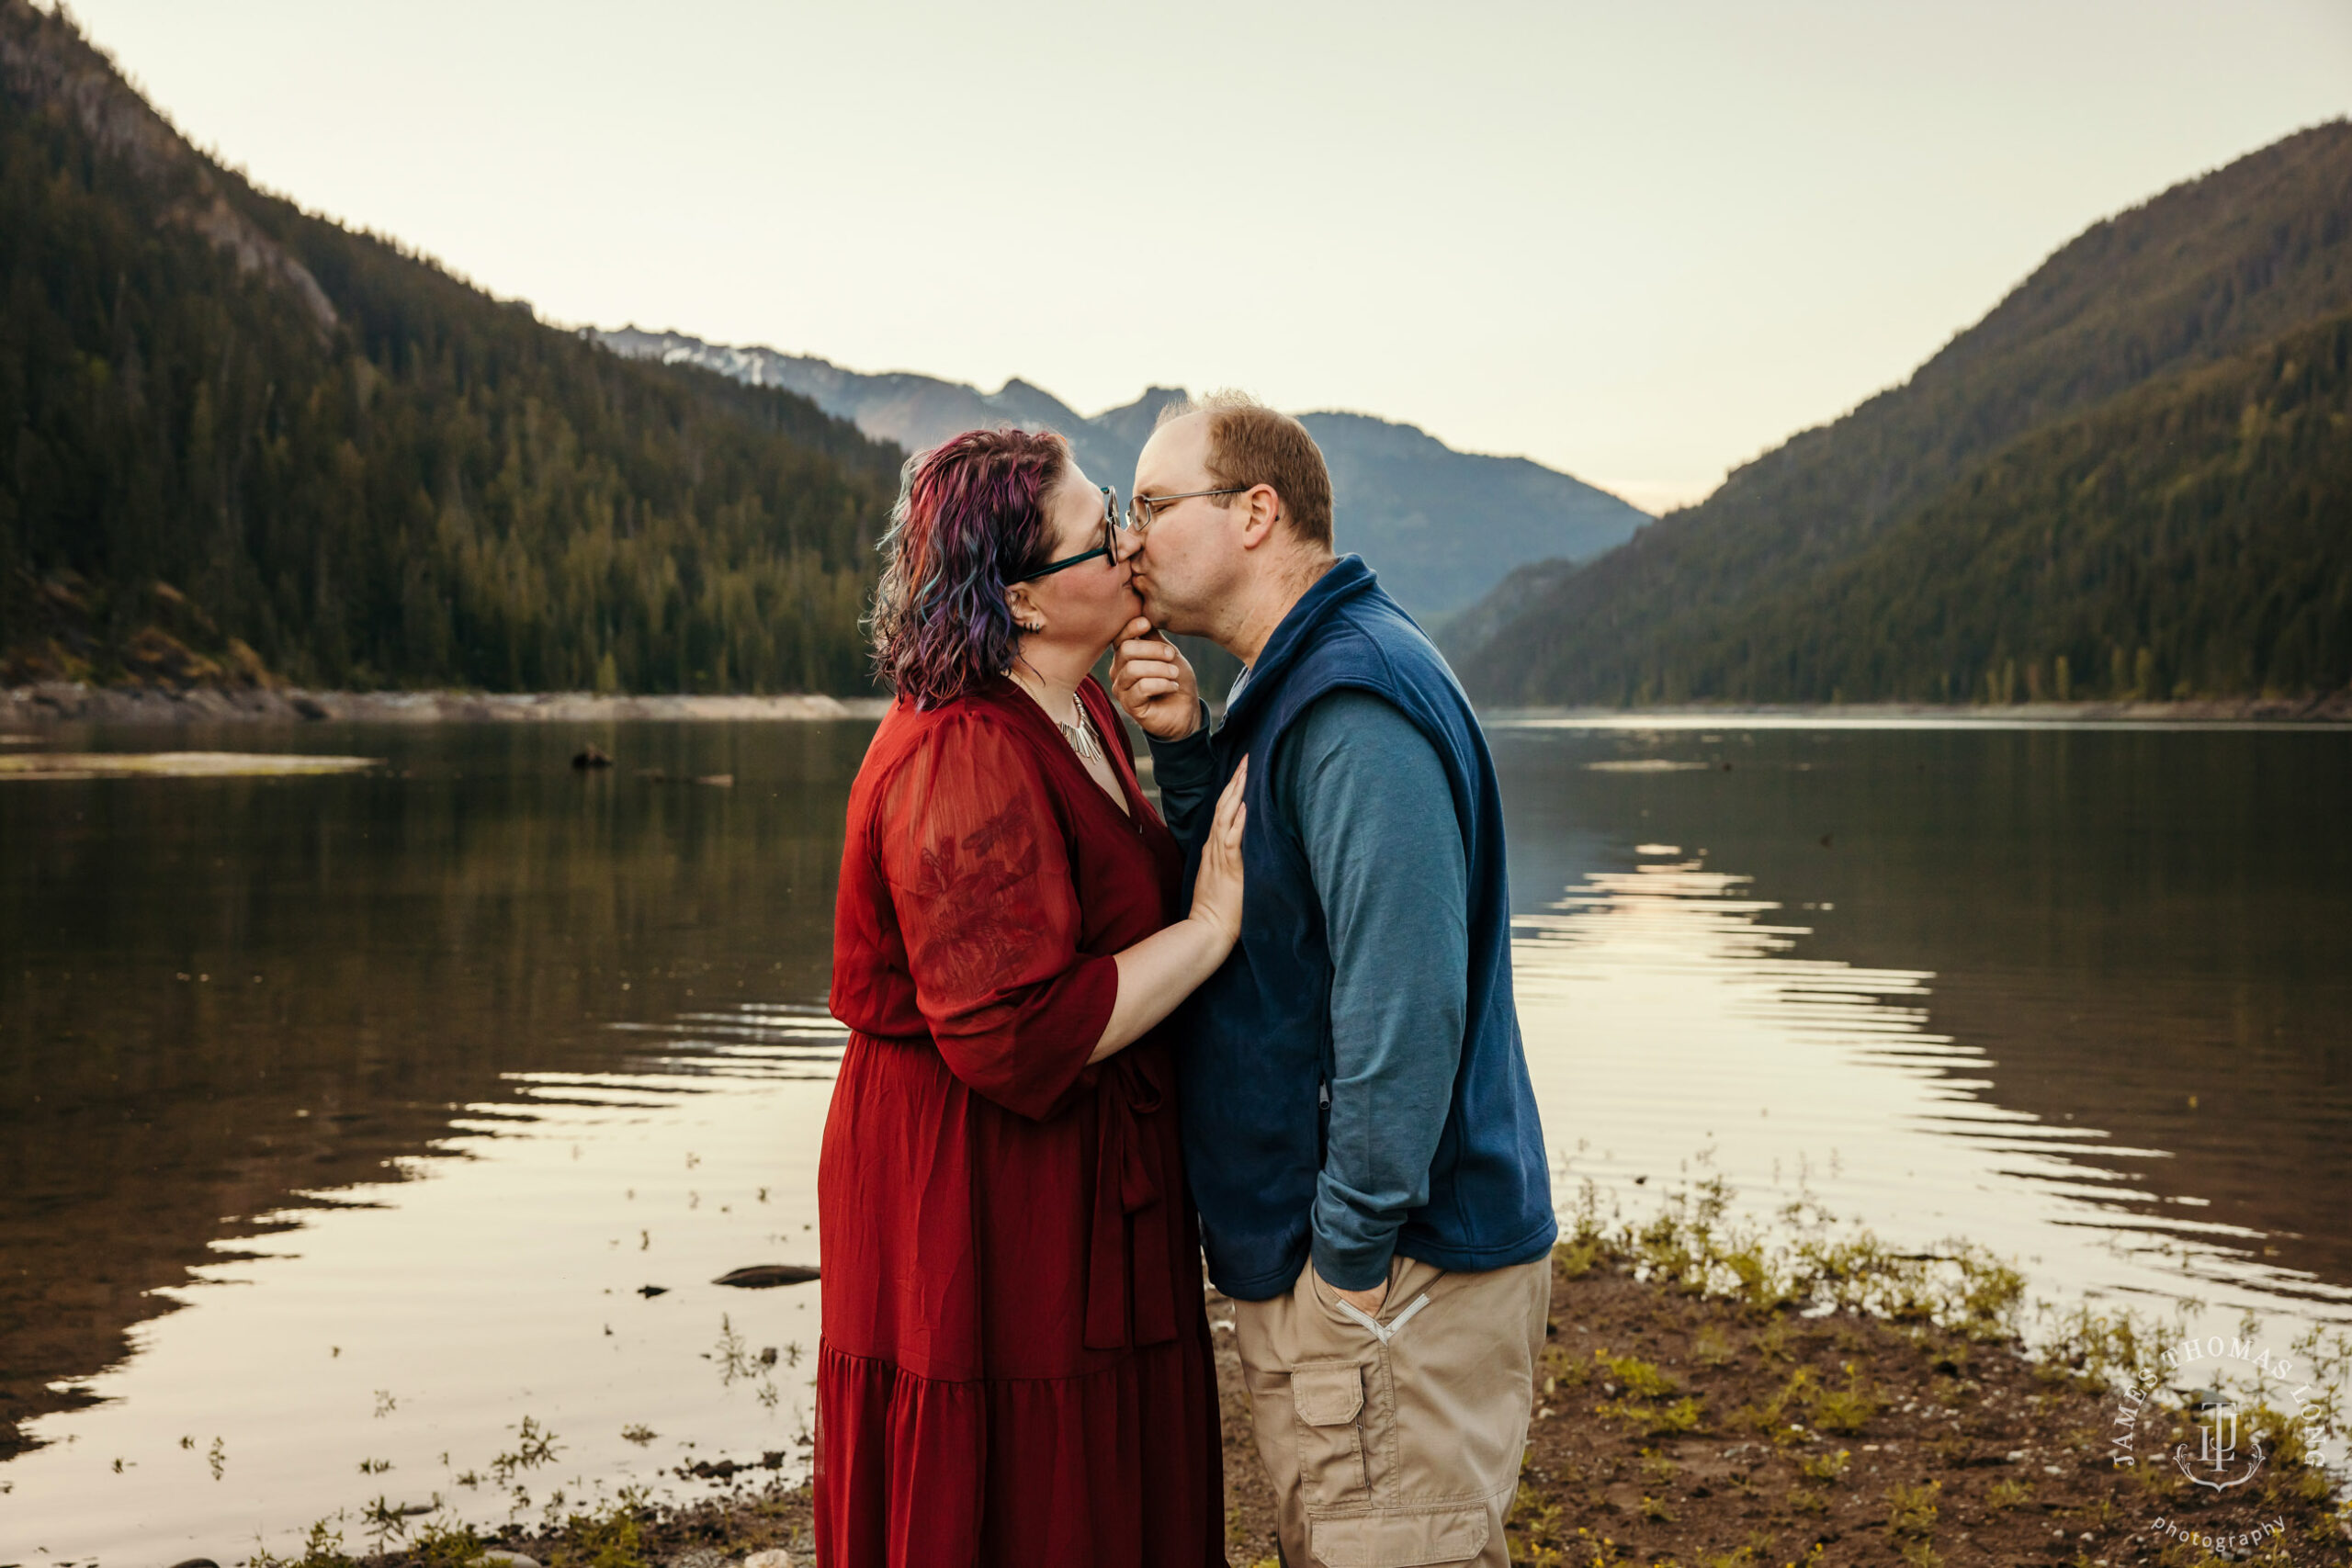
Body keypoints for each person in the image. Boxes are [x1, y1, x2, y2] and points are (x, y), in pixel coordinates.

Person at [1110, 393, 1556, 1568]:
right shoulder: (1299, 683)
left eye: (1153, 507)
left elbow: (1402, 1008)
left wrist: (1346, 1268)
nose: (1128, 540)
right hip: (1358, 1271)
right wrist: (1191, 751)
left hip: (1390, 1276)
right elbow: (1276, 921)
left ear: (1255, 513)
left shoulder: (1351, 702)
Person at [817, 427, 1246, 1566]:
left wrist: (1185, 742)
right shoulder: (960, 751)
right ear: (1024, 600)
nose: (1131, 543)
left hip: (1079, 1174)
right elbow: (1013, 1034)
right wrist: (1208, 929)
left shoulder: (1082, 707)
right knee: (1020, 1497)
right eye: (1101, 534)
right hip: (980, 1192)